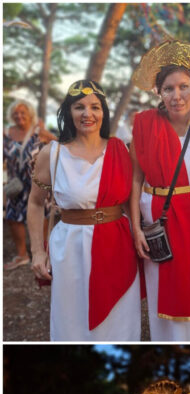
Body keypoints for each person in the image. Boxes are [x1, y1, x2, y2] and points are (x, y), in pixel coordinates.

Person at [27, 80, 140, 340]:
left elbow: (133, 199)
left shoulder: (120, 149)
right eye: (79, 107)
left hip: (117, 246)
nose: (87, 114)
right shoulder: (52, 154)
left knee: (119, 321)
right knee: (72, 321)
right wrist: (37, 251)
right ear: (68, 112)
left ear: (104, 113)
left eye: (95, 107)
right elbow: (34, 203)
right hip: (70, 248)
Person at [130, 40, 190, 341]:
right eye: (169, 88)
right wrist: (135, 227)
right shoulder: (145, 125)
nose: (177, 95)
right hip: (157, 220)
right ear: (158, 92)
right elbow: (135, 179)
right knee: (162, 283)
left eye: (184, 87)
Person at [4, 99, 55, 271]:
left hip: (38, 182)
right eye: (16, 113)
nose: (19, 116)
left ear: (30, 114)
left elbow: (58, 147)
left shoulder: (38, 131)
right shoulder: (6, 133)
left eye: (22, 113)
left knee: (42, 215)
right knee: (12, 218)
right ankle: (22, 255)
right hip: (16, 185)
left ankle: (42, 252)